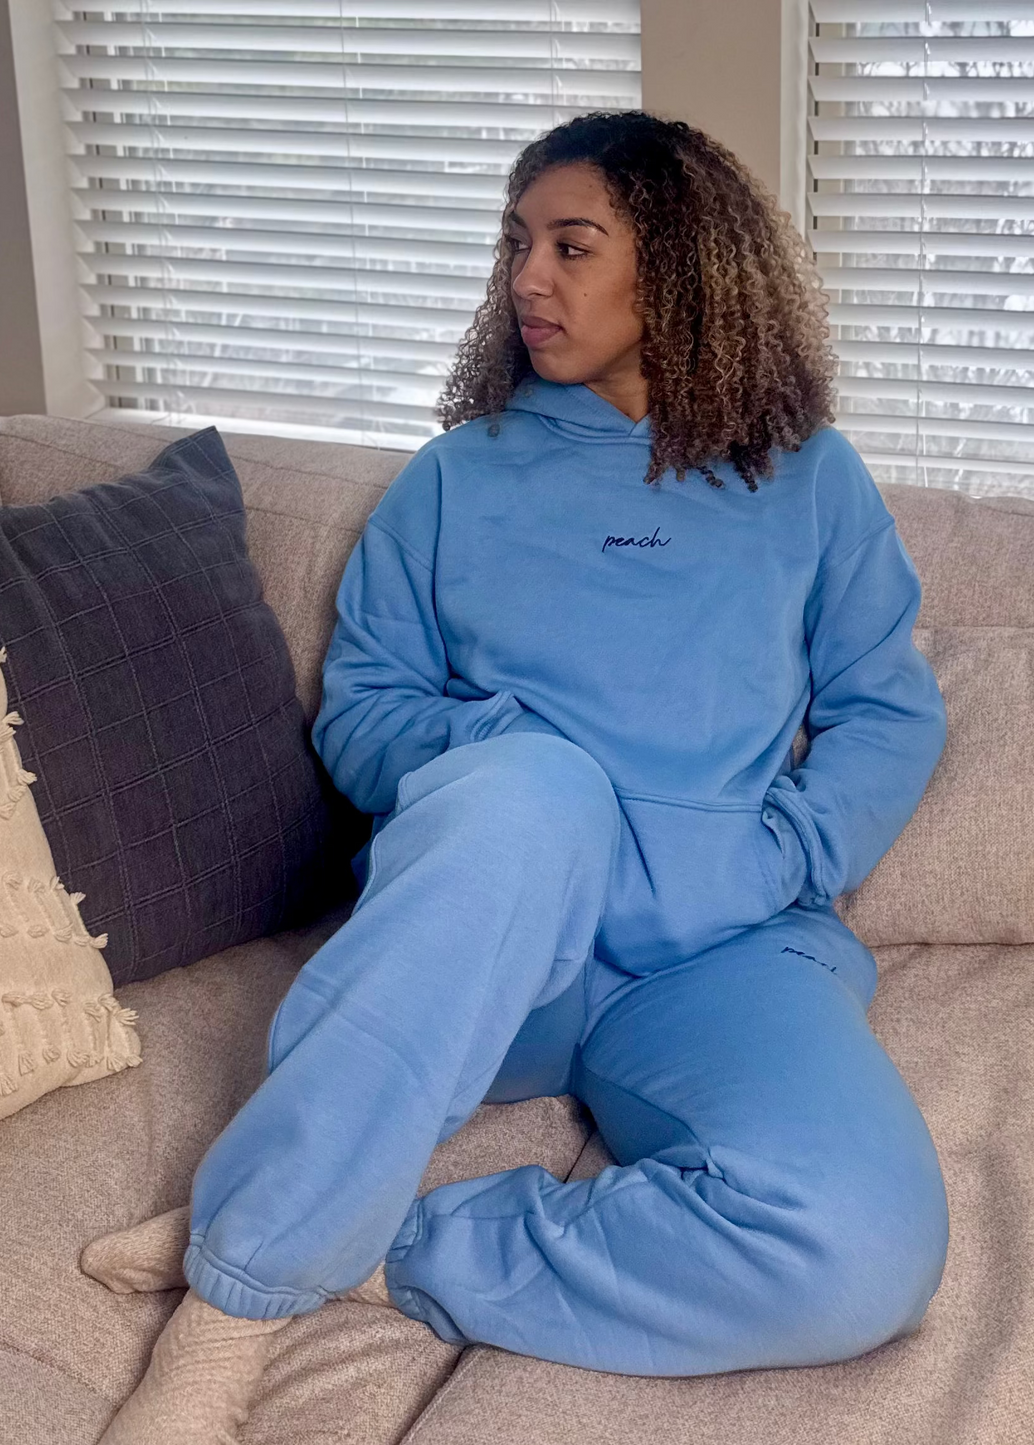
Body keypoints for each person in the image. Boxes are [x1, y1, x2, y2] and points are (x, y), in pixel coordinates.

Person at [81, 110, 950, 1443]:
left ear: (675, 264)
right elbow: (365, 715)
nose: (525, 278)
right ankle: (239, 1302)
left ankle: (370, 1247)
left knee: (865, 1248)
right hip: (489, 938)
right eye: (516, 245)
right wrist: (517, 770)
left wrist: (776, 857)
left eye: (569, 245)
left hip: (716, 955)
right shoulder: (454, 482)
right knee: (536, 795)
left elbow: (889, 716)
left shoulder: (808, 482)